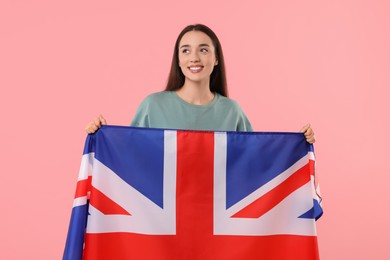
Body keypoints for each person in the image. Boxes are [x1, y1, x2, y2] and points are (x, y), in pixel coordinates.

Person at [85, 24, 315, 143]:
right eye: (186, 51)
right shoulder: (152, 105)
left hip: (216, 216)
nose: (194, 57)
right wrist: (100, 135)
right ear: (178, 59)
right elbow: (130, 155)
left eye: (203, 50)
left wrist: (298, 144)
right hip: (163, 218)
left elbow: (254, 161)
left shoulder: (231, 111)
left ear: (215, 59)